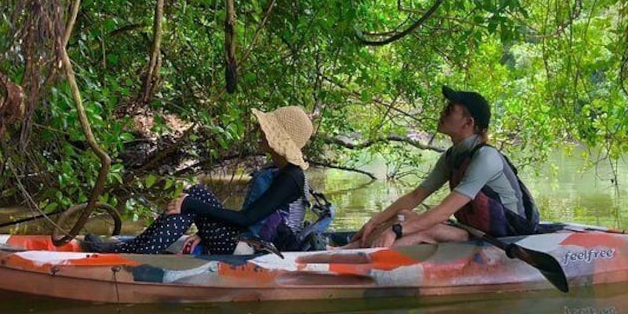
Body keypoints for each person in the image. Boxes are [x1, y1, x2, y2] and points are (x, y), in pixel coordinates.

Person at [83, 106, 314, 255]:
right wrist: (202, 231)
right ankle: (134, 247)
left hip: (256, 252)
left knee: (192, 200)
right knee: (195, 193)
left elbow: (246, 219)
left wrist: (191, 207)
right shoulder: (280, 169)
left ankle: (128, 251)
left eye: (265, 129)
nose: (260, 131)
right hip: (244, 241)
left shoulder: (292, 177)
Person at [347, 86, 539, 248]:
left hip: (506, 236)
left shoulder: (486, 157)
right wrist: (375, 221)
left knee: (428, 229)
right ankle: (345, 249)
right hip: (472, 231)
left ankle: (360, 257)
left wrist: (396, 230)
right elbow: (416, 196)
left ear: (468, 123)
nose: (441, 113)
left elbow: (444, 211)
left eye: (449, 110)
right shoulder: (451, 156)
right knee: (403, 215)